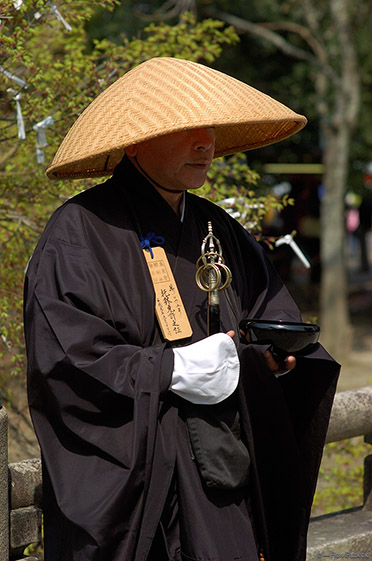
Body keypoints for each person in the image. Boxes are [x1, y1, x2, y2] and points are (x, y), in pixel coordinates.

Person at [24, 57, 340, 561]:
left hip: (219, 472)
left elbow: (264, 316)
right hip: (139, 480)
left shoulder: (219, 227)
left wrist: (270, 359)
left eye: (210, 128)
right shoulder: (78, 232)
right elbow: (66, 360)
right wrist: (171, 369)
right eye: (186, 128)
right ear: (135, 142)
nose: (206, 143)